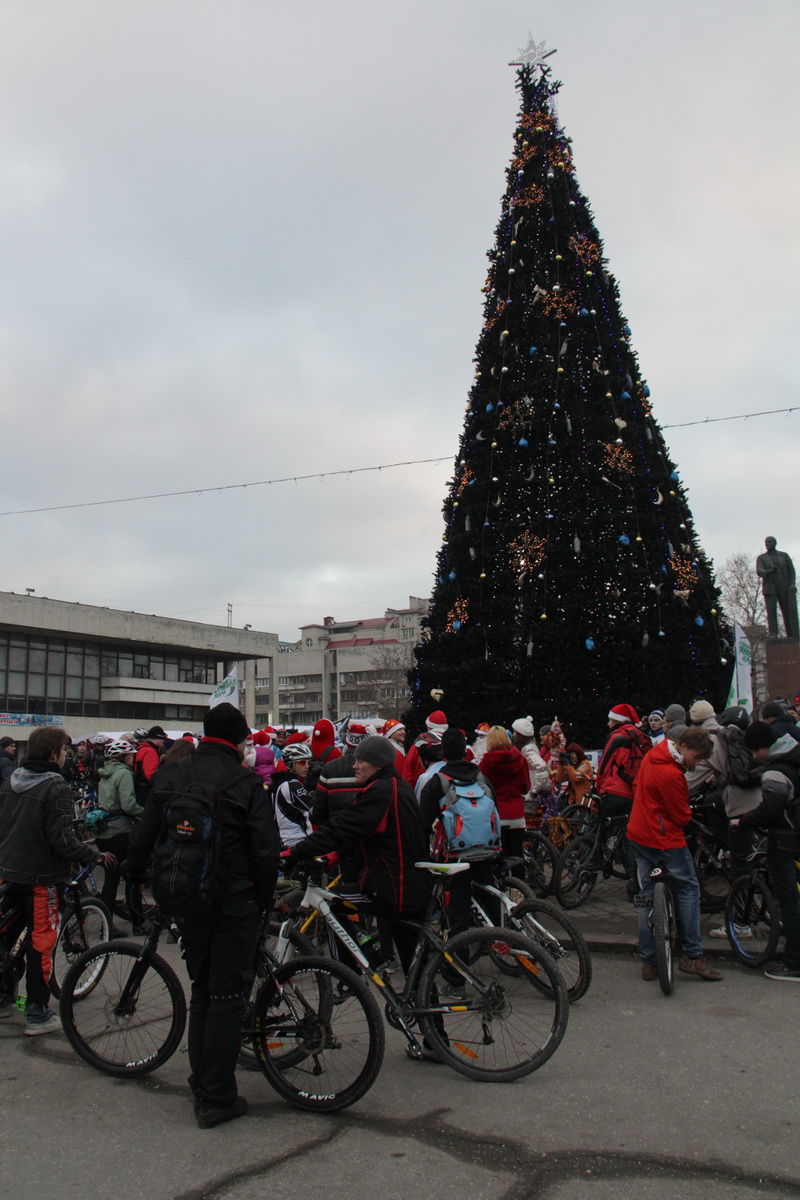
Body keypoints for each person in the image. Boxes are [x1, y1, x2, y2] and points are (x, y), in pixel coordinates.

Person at [126, 702, 280, 1128]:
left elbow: (144, 835)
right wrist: (263, 899)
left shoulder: (172, 773)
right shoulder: (247, 783)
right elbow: (265, 850)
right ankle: (216, 1096)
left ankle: (202, 1080)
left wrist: (134, 878)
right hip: (234, 900)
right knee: (229, 994)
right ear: (238, 740)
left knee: (202, 990)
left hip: (187, 898)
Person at [286, 736, 433, 1056]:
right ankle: (436, 1039)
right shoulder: (397, 788)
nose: (354, 765)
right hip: (410, 883)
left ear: (376, 765)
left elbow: (341, 828)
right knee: (416, 967)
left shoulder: (378, 793)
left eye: (360, 761)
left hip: (391, 887)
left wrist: (295, 852)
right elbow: (359, 833)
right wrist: (333, 856)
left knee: (333, 903)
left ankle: (360, 967)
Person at [0, 725, 117, 1034]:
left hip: (10, 871)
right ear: (53, 754)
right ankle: (38, 1011)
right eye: (65, 751)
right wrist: (92, 855)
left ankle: (3, 996)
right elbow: (62, 839)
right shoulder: (56, 787)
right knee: (42, 941)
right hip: (44, 878)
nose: (67, 756)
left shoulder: (11, 781)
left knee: (7, 936)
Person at [627, 726, 723, 982]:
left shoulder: (652, 754)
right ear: (685, 747)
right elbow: (680, 815)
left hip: (639, 832)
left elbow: (638, 786)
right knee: (689, 889)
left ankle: (649, 961)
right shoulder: (672, 774)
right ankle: (692, 955)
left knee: (646, 894)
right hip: (664, 837)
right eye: (698, 757)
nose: (697, 762)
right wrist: (687, 813)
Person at [418, 728, 498, 997]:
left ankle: (456, 980)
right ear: (466, 750)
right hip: (486, 851)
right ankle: (504, 945)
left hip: (456, 857)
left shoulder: (438, 781)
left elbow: (422, 823)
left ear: (442, 753)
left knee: (457, 919)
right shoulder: (480, 776)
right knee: (489, 897)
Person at [733, 722, 800, 981]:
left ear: (763, 746)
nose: (753, 756)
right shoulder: (794, 756)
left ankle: (794, 962)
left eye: (754, 751)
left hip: (784, 838)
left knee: (788, 903)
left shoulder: (775, 772)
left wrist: (744, 821)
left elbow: (770, 809)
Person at [596, 703, 652, 897]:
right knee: (630, 839)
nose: (608, 722)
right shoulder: (640, 737)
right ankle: (634, 885)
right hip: (634, 793)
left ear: (617, 721)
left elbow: (603, 765)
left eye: (610, 719)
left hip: (614, 790)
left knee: (596, 825)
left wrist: (598, 788)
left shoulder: (616, 736)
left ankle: (592, 862)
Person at [95, 738, 144, 930]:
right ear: (123, 757)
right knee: (133, 876)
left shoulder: (104, 773)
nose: (133, 758)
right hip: (120, 832)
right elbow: (128, 805)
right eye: (131, 755)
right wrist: (146, 811)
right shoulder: (124, 773)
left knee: (111, 879)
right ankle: (138, 923)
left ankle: (105, 926)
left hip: (103, 833)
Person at [477, 725, 530, 858]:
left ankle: (504, 879)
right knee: (518, 855)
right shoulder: (521, 760)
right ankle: (520, 878)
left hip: (496, 815)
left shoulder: (485, 764)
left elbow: (482, 791)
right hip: (517, 814)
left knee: (501, 858)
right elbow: (526, 788)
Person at [273, 742, 315, 849]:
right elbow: (315, 810)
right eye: (302, 762)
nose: (307, 766)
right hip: (297, 842)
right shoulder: (293, 785)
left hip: (287, 841)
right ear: (291, 764)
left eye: (308, 762)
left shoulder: (280, 782)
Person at [756, 536, 799, 639]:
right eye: (766, 542)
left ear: (775, 543)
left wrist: (792, 584)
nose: (767, 544)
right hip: (770, 588)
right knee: (771, 612)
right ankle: (773, 634)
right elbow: (759, 571)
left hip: (783, 586)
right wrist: (770, 571)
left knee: (786, 610)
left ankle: (791, 633)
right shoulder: (762, 558)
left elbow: (791, 571)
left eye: (770, 542)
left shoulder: (784, 556)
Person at [403, 710, 448, 787]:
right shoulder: (451, 742)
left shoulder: (420, 742)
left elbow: (408, 773)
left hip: (420, 788)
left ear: (428, 726)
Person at [511, 716, 550, 803]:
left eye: (515, 732)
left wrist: (534, 791)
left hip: (529, 798)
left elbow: (541, 766)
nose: (513, 735)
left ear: (521, 734)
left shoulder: (527, 749)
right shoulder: (530, 746)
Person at [555, 743, 594, 808]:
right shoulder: (571, 766)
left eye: (573, 754)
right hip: (572, 799)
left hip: (584, 800)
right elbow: (560, 778)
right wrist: (561, 765)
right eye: (569, 754)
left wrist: (568, 766)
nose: (571, 756)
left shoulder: (585, 764)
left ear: (578, 755)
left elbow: (577, 778)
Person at [133, 725, 166, 802]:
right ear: (159, 738)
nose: (164, 742)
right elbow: (150, 775)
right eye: (163, 739)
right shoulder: (150, 751)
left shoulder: (141, 748)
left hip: (138, 789)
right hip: (145, 792)